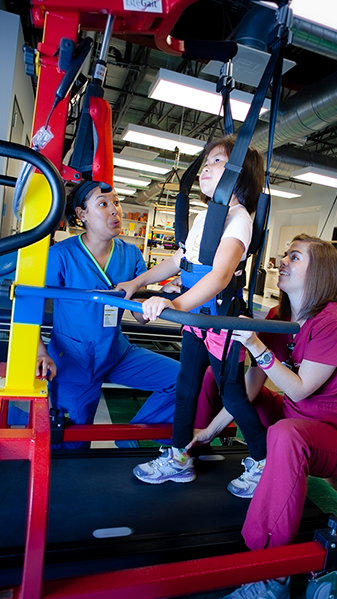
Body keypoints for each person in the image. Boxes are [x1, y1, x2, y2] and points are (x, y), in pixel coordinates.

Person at [189, 234, 337, 599]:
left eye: (295, 257)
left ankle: (273, 576)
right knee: (215, 378)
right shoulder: (277, 317)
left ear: (319, 272)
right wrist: (209, 429)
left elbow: (301, 389)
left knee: (285, 434)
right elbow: (250, 389)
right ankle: (191, 463)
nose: (282, 261)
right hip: (292, 418)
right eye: (285, 255)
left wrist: (255, 345)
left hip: (335, 437)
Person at [116, 135, 266, 487]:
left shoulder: (238, 218)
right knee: (186, 387)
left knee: (231, 394)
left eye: (217, 162)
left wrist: (176, 304)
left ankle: (262, 458)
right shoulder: (206, 217)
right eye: (208, 161)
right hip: (197, 322)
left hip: (218, 322)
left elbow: (221, 274)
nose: (206, 168)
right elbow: (177, 261)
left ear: (238, 175)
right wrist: (136, 284)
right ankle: (178, 457)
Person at [37, 180, 179, 448]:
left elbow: (138, 314)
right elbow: (28, 310)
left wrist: (163, 297)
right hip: (73, 361)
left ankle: (130, 437)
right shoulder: (61, 256)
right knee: (72, 444)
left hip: (116, 352)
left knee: (183, 380)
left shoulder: (130, 254)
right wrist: (42, 353)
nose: (114, 210)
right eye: (103, 204)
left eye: (116, 202)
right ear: (82, 215)